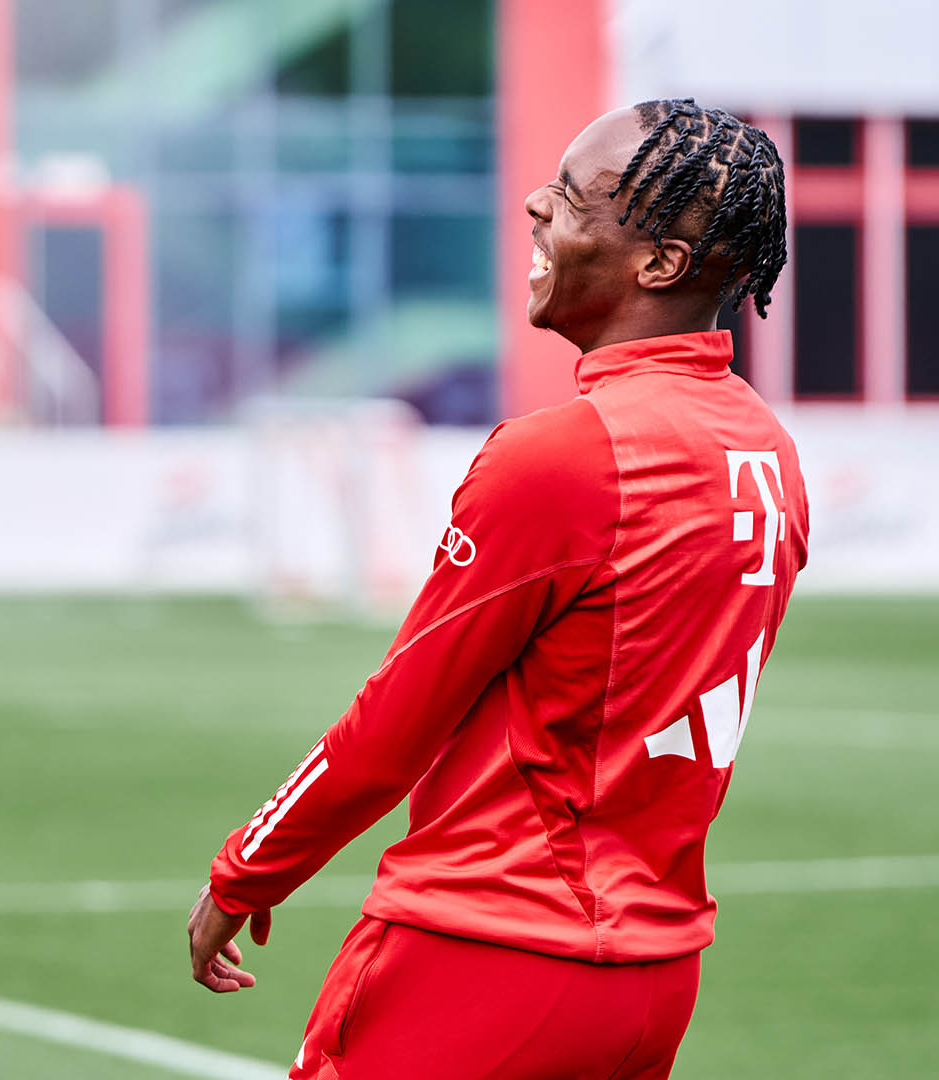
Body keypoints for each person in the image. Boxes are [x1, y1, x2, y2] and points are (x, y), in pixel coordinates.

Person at [185, 99, 806, 1080]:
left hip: (489, 949)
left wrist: (247, 867)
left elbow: (398, 719)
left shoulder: (563, 456)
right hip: (650, 978)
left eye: (568, 199)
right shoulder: (764, 451)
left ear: (661, 265)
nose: (531, 206)